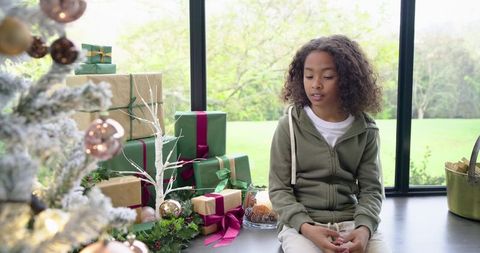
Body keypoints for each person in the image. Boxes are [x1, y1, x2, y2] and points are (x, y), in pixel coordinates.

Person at [269, 35, 390, 253]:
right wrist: (307, 227)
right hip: (303, 225)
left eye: (327, 76)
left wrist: (364, 230)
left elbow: (371, 189)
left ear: (346, 79)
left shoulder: (366, 129)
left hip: (352, 222)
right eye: (308, 76)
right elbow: (279, 189)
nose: (315, 84)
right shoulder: (288, 126)